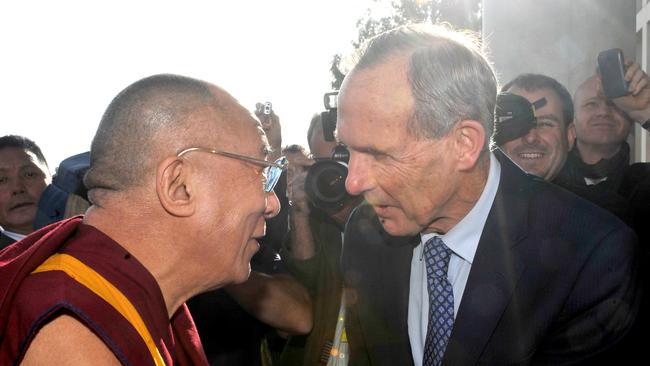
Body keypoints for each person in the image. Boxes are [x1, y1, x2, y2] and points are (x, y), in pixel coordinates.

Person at [337, 24, 640, 365]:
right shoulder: (365, 234)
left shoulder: (591, 258)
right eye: (348, 150)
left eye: (379, 154)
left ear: (464, 144)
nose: (353, 183)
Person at [0, 74, 283, 365]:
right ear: (178, 186)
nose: (272, 204)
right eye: (261, 172)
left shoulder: (127, 292)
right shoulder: (76, 336)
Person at [279, 114, 361, 366]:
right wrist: (300, 207)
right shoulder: (319, 223)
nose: (333, 175)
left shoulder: (395, 218)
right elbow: (306, 287)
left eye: (342, 159)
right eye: (322, 164)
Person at [554, 63, 650, 244]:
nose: (603, 112)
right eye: (591, 104)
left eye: (614, 105)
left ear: (631, 119)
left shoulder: (643, 183)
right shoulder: (547, 182)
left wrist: (646, 110)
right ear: (572, 121)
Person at [0, 135, 51, 249]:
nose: (17, 188)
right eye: (1, 180)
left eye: (29, 174)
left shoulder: (91, 233)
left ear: (52, 180)